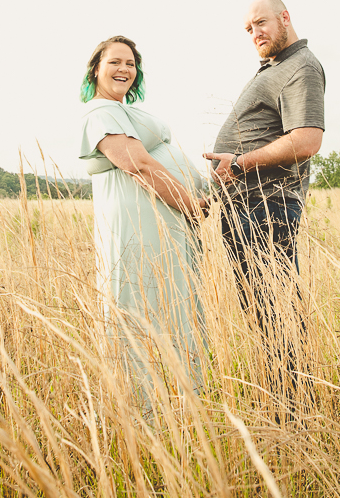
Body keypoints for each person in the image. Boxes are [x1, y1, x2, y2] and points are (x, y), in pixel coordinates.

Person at [203, 0, 325, 409]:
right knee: (265, 316)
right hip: (247, 209)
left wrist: (239, 162)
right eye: (248, 29)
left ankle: (296, 414)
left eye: (261, 23)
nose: (255, 33)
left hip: (265, 208)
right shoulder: (276, 68)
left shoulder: (301, 66)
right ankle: (284, 407)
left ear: (285, 18)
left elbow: (307, 140)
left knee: (277, 316)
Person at [78, 35, 212, 408]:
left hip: (163, 221)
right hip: (140, 225)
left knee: (173, 301)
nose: (124, 69)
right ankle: (144, 409)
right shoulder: (100, 112)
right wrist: (191, 204)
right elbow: (139, 165)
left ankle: (185, 400)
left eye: (131, 64)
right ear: (96, 69)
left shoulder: (124, 111)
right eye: (115, 62)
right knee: (141, 302)